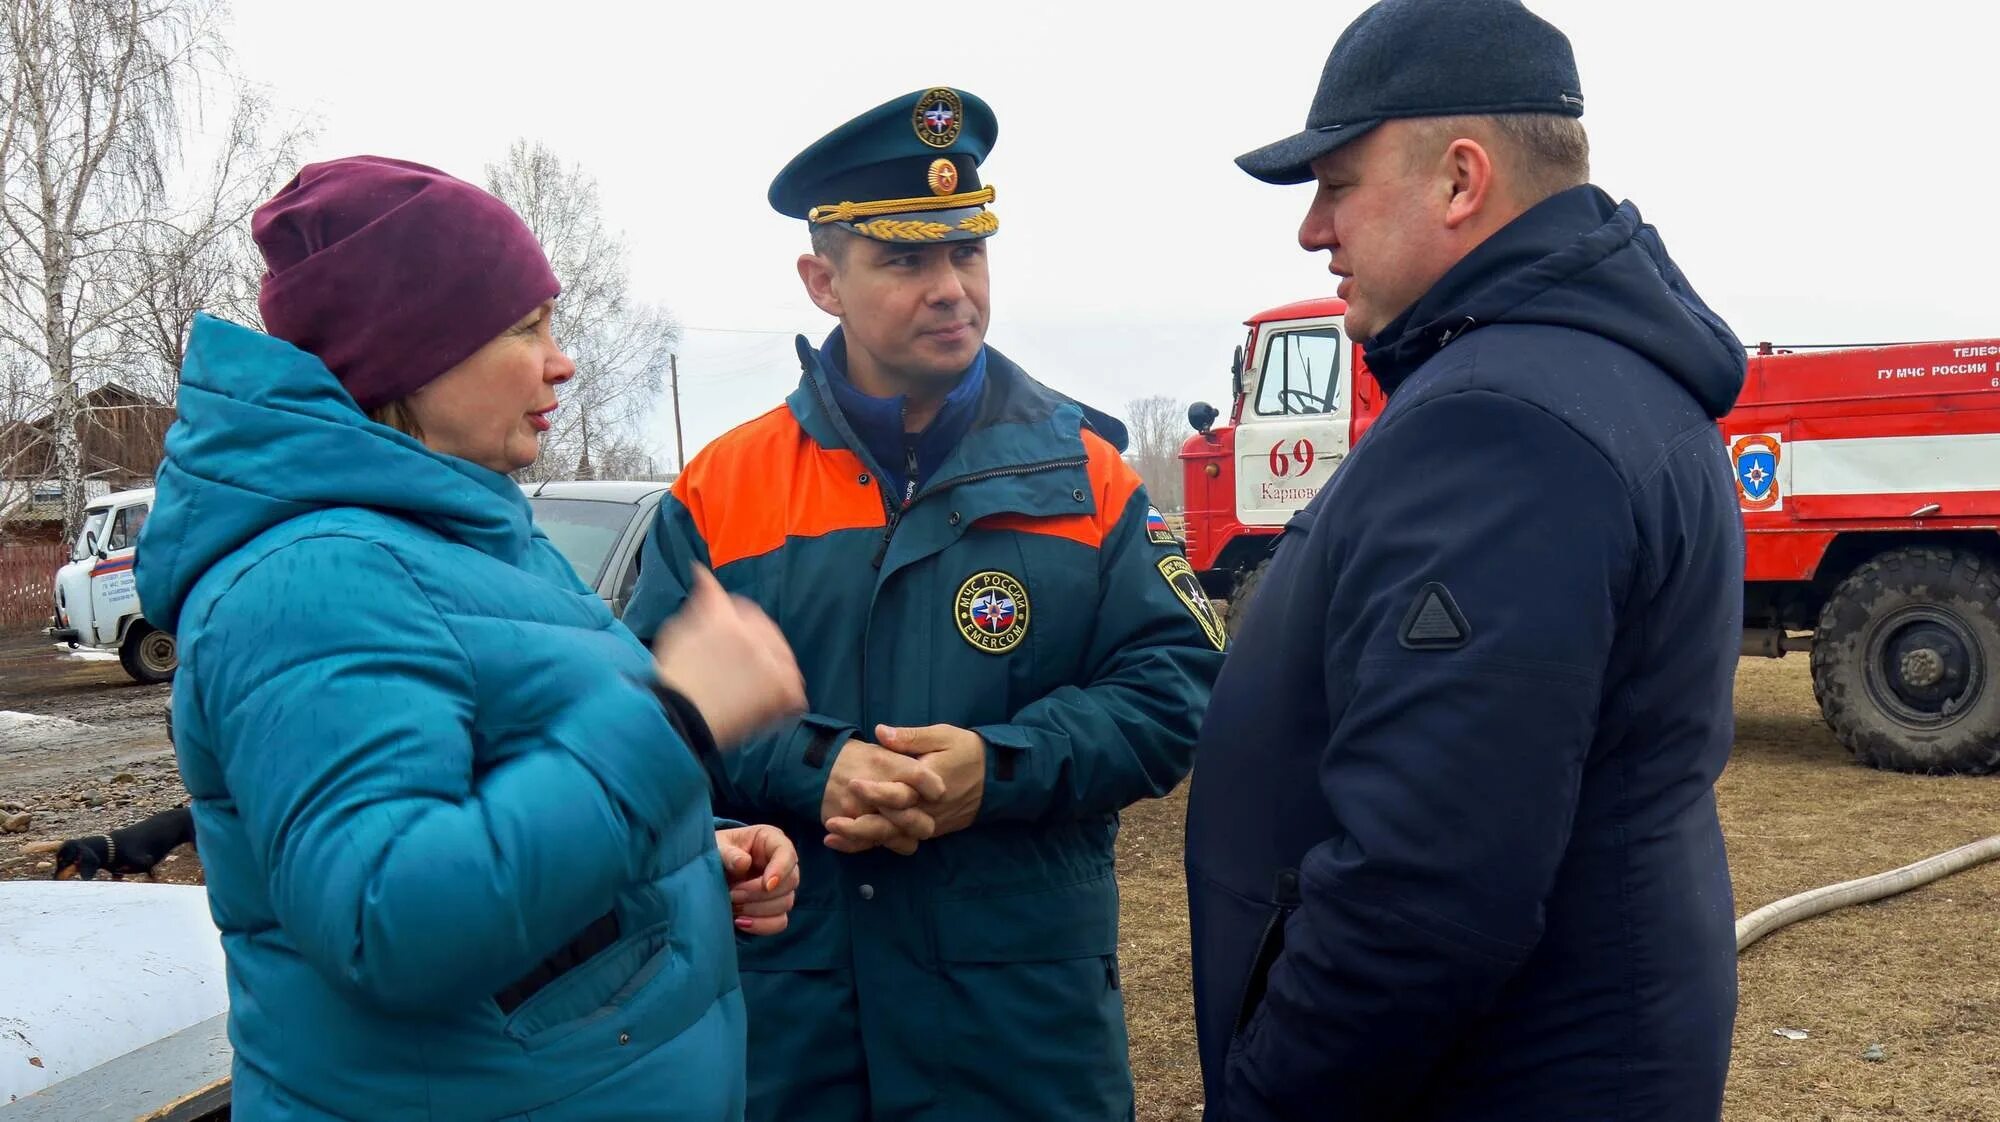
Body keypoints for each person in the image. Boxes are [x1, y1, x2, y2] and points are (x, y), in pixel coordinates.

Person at [133, 155, 808, 1121]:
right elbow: (390, 921)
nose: (561, 359)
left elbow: (497, 797)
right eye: (524, 327)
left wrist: (690, 856)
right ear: (411, 349)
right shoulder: (310, 585)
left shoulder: (465, 538)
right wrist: (676, 721)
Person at [1183, 2, 1747, 1119]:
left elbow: (1423, 888)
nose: (1310, 230)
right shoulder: (1592, 376)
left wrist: (1265, 1097)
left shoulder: (1499, 425)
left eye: (1337, 185)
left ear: (1457, 180)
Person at [622, 87, 1227, 1121]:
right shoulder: (722, 491)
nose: (951, 289)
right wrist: (819, 769)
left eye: (968, 253)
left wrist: (994, 770)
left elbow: (1172, 693)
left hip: (1021, 1034)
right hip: (799, 1030)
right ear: (823, 280)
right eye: (906, 260)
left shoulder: (1089, 479)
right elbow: (648, 714)